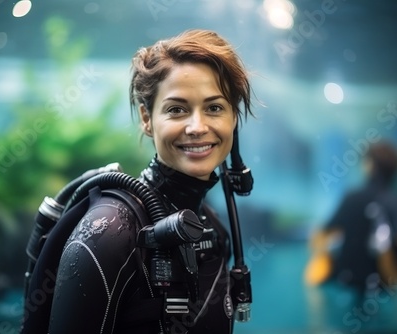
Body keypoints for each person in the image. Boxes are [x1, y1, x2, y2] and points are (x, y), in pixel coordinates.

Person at [47, 29, 254, 333]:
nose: (197, 127)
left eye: (214, 107)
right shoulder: (109, 233)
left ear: (233, 117)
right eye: (177, 109)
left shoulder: (214, 230)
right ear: (147, 118)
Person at [306, 140, 397, 322]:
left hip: (344, 278)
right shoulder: (395, 203)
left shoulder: (352, 198)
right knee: (394, 266)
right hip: (382, 283)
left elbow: (320, 236)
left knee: (316, 268)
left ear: (370, 166)